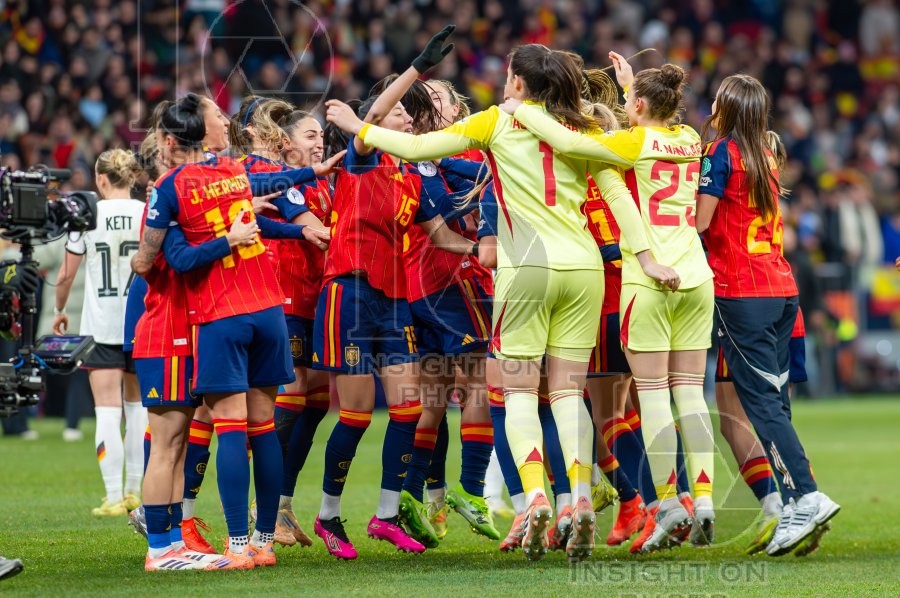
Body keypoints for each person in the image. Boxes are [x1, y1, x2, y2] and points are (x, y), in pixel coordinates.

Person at [325, 43, 675, 562]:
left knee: (515, 394)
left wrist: (359, 128)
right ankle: (577, 499)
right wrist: (645, 258)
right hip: (584, 269)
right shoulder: (586, 129)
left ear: (516, 83)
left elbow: (420, 150)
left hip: (526, 270)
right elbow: (619, 196)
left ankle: (534, 494)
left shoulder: (496, 122)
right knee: (566, 394)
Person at [506, 51, 717, 552]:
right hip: (695, 274)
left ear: (639, 104)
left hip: (648, 279)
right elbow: (649, 125)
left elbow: (569, 140)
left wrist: (521, 107)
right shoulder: (689, 139)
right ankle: (703, 499)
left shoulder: (628, 141)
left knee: (652, 398)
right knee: (690, 393)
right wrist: (630, 92)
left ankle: (666, 502)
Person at [131, 93, 340, 569]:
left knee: (221, 429)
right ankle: (264, 542)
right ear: (198, 131)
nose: (225, 121)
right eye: (217, 116)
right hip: (269, 307)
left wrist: (152, 259)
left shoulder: (172, 188)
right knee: (262, 426)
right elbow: (275, 181)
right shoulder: (232, 174)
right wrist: (315, 173)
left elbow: (168, 261)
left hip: (221, 315)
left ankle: (233, 546)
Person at [310, 27, 478, 560]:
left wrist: (486, 249)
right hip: (352, 294)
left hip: (393, 300)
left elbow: (444, 238)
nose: (407, 118)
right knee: (357, 415)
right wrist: (418, 69)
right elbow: (374, 114)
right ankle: (329, 515)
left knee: (408, 410)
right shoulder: (363, 159)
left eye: (409, 113)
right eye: (399, 113)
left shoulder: (411, 179)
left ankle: (385, 516)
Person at [695, 74, 840, 556]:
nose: (710, 107)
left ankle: (806, 496)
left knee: (759, 405)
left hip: (741, 292)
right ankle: (798, 501)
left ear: (728, 108)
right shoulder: (767, 155)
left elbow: (699, 221)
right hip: (781, 290)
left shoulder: (722, 153)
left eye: (716, 101)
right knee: (775, 404)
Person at [52, 149, 148, 517]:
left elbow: (65, 275)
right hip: (140, 324)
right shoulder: (146, 213)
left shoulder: (85, 217)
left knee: (106, 411)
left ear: (102, 180)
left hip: (102, 325)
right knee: (137, 409)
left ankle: (111, 496)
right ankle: (134, 490)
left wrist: (60, 311)